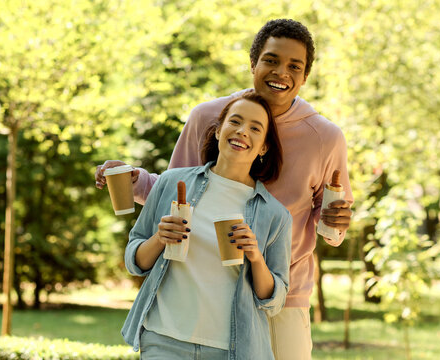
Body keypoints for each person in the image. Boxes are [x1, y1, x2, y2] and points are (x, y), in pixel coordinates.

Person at [98, 19, 353, 360]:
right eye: (271, 60)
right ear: (253, 63)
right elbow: (180, 191)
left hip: (282, 294)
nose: (281, 73)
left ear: (305, 76)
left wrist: (335, 221)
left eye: (295, 66)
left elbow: (332, 226)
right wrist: (136, 182)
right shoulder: (208, 116)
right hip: (205, 291)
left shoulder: (325, 137)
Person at [121, 92, 292, 360]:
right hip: (162, 339)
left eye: (255, 128)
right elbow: (135, 261)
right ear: (218, 131)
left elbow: (274, 300)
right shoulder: (170, 182)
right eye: (235, 122)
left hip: (230, 349)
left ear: (263, 147)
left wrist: (256, 257)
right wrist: (158, 239)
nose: (242, 131)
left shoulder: (275, 214)